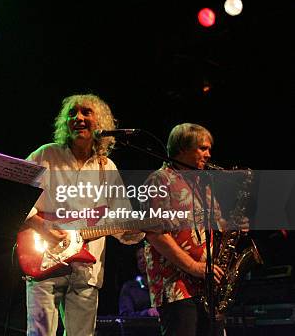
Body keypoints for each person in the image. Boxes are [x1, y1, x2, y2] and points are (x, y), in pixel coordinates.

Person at [24, 93, 144, 336]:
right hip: (43, 260)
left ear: (99, 122)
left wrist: (135, 230)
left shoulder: (106, 167)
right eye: (72, 113)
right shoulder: (46, 155)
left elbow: (122, 221)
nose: (78, 117)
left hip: (87, 269)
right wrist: (41, 225)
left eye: (86, 112)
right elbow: (15, 197)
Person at [143, 123, 247, 336]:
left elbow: (215, 225)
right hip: (176, 287)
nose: (209, 155)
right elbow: (155, 233)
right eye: (203, 148)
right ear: (182, 148)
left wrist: (232, 227)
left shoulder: (202, 184)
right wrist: (193, 266)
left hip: (207, 285)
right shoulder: (159, 180)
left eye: (209, 149)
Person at [118, 247, 158, 317]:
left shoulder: (165, 284)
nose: (142, 261)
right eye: (139, 258)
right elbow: (125, 316)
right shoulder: (129, 287)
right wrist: (147, 312)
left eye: (146, 256)